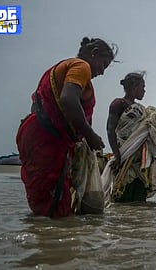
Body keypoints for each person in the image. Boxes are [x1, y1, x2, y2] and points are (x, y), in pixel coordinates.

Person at [16, 37, 117, 218]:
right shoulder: (81, 67)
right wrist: (90, 134)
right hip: (47, 140)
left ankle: (40, 238)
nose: (102, 72)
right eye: (103, 64)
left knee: (44, 197)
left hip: (36, 135)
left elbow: (40, 106)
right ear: (94, 53)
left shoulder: (60, 69)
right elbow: (68, 99)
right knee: (56, 206)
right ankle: (53, 242)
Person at [107, 71, 156, 202]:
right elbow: (110, 130)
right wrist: (117, 154)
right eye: (143, 87)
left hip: (139, 159)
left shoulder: (142, 110)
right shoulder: (118, 104)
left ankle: (136, 221)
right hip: (124, 154)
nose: (144, 90)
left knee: (139, 198)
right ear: (134, 87)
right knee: (122, 191)